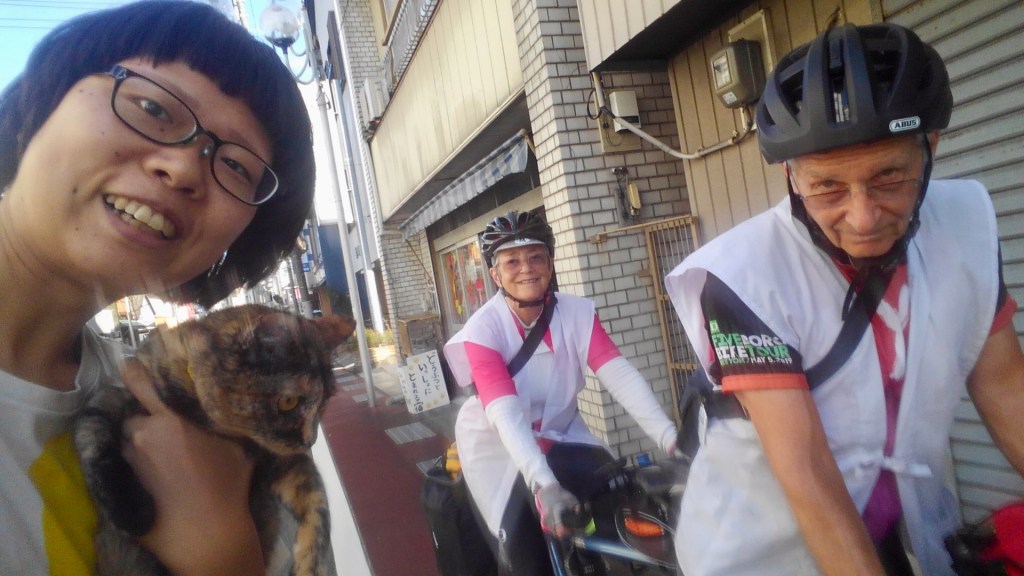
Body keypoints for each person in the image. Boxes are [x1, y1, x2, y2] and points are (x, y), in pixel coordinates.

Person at [664, 23, 1024, 576]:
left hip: (897, 530)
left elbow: (1006, 387)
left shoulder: (965, 223)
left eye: (889, 177)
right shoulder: (742, 276)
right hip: (761, 553)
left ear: (929, 148)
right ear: (790, 175)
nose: (862, 217)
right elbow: (807, 470)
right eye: (828, 186)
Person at [0, 2, 315, 574]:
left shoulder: (154, 400)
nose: (186, 169)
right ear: (40, 101)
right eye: (152, 107)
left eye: (237, 167)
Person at [444, 210, 679, 574]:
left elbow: (620, 376)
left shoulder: (577, 313)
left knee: (614, 495)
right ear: (495, 274)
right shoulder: (483, 331)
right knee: (526, 552)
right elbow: (505, 413)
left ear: (551, 264)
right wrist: (544, 484)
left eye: (536, 257)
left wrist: (670, 439)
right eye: (512, 261)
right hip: (497, 445)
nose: (526, 268)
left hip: (560, 432)